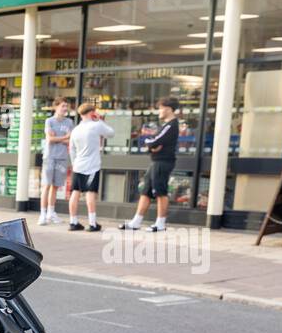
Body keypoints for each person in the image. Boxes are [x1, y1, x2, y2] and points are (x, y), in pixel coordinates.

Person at [121, 97, 181, 232]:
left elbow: (153, 141)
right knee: (146, 191)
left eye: (161, 107)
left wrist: (151, 144)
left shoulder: (172, 125)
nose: (159, 110)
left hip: (163, 162)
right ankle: (136, 222)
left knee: (161, 192)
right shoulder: (165, 126)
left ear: (169, 109)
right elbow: (151, 142)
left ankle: (160, 224)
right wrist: (151, 145)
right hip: (156, 161)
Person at [67, 101, 114, 232]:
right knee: (90, 193)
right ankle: (92, 223)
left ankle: (73, 222)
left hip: (78, 165)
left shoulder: (76, 129)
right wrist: (100, 120)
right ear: (92, 113)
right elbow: (111, 133)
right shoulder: (96, 125)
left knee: (75, 193)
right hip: (92, 166)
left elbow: (71, 149)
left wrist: (74, 163)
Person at [39, 97, 74, 226]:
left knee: (55, 187)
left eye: (66, 106)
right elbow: (50, 139)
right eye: (63, 106)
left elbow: (71, 140)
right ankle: (42, 214)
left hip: (62, 158)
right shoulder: (49, 121)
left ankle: (51, 213)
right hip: (50, 157)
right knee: (46, 186)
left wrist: (57, 138)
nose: (65, 108)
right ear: (56, 107)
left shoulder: (70, 122)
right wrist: (64, 137)